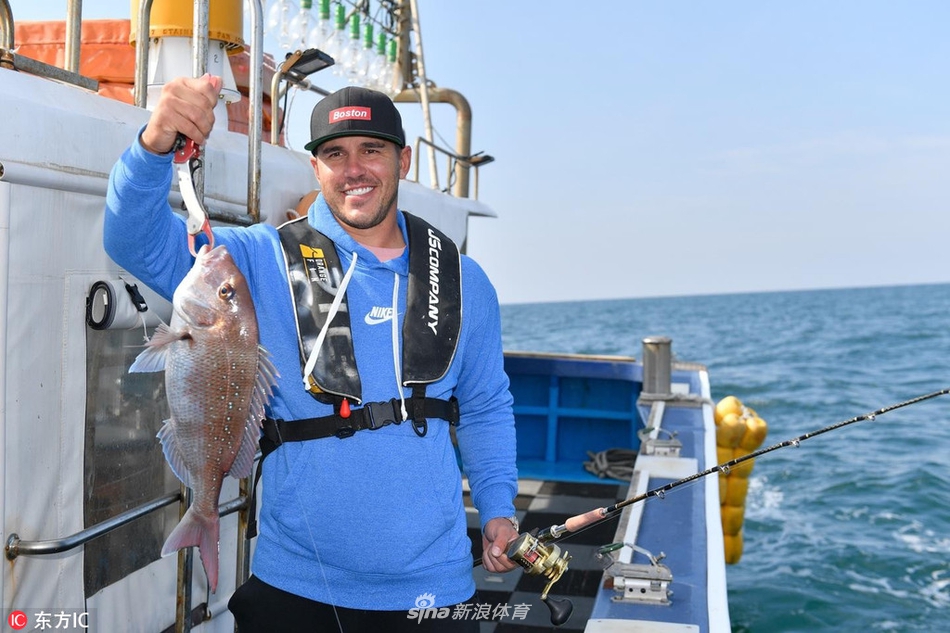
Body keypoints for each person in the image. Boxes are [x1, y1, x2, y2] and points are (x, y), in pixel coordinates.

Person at [104, 75, 519, 632]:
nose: (354, 169)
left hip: (434, 589)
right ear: (315, 167)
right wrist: (154, 144)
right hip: (294, 585)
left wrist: (497, 508)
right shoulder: (252, 261)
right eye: (334, 153)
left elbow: (487, 405)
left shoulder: (465, 282)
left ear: (405, 159)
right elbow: (132, 239)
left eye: (372, 150)